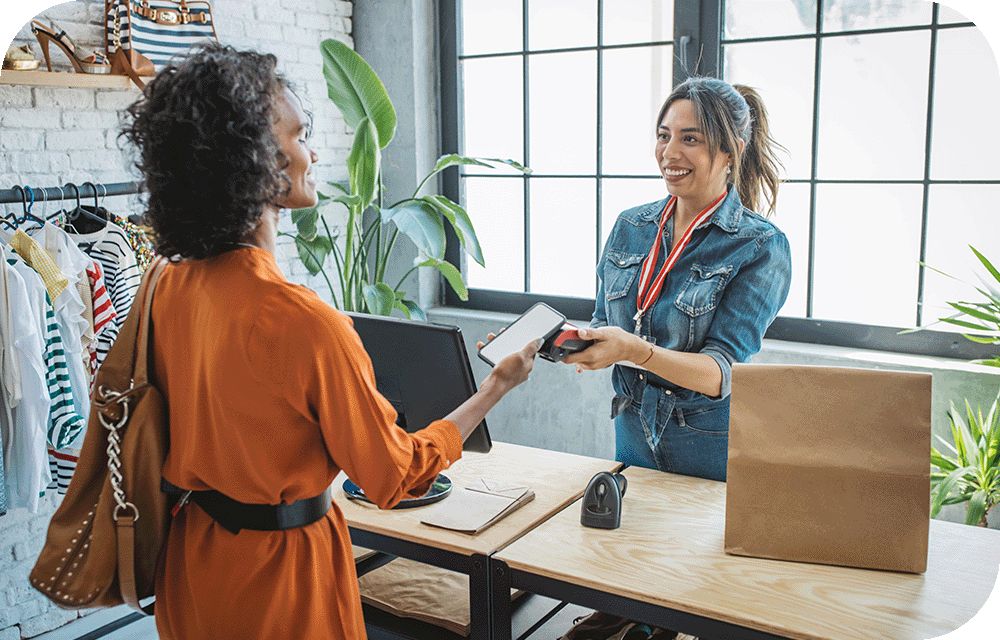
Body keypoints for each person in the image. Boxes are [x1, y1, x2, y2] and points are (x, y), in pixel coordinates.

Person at [122, 44, 540, 639]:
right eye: (300, 135)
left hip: (192, 563)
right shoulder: (303, 321)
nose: (313, 152)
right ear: (253, 158)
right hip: (281, 580)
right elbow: (391, 477)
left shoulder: (165, 285)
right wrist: (496, 386)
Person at [563, 77, 792, 484]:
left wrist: (635, 350)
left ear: (731, 151)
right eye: (663, 136)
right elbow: (604, 321)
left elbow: (720, 373)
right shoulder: (630, 225)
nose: (670, 153)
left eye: (690, 139)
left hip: (706, 442)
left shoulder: (760, 246)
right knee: (630, 544)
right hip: (632, 429)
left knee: (692, 547)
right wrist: (556, 340)